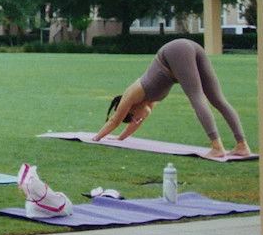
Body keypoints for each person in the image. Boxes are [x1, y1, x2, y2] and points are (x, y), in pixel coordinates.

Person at [95, 37, 251, 159]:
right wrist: (120, 138)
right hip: (187, 48)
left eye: (134, 118)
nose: (138, 120)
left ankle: (218, 147)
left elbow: (114, 121)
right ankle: (242, 146)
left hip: (176, 51)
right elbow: (139, 120)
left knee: (201, 98)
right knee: (215, 100)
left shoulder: (131, 95)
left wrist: (95, 138)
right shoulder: (148, 102)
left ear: (131, 109)